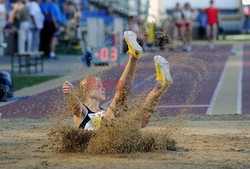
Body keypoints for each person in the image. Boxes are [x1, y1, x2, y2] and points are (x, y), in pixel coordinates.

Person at [61, 31, 173, 130]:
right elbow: (76, 106)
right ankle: (133, 57)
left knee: (136, 114)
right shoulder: (83, 111)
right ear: (86, 91)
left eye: (101, 85)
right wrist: (70, 94)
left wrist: (141, 122)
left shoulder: (105, 111)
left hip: (116, 142)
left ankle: (160, 86)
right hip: (100, 143)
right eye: (97, 85)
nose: (102, 88)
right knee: (119, 99)